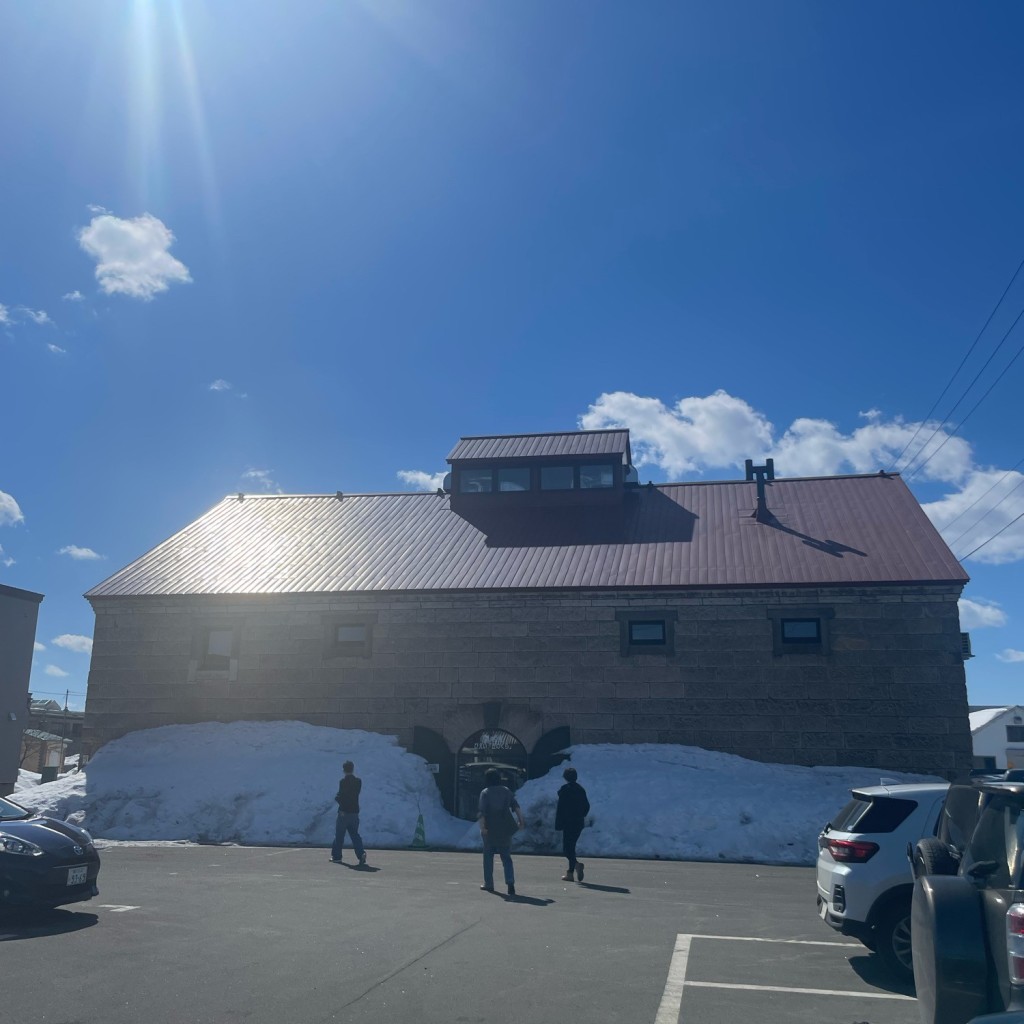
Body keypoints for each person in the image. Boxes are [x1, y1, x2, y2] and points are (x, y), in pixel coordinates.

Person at [478, 767, 524, 896]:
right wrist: (521, 820)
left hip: (490, 828)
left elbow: (482, 813)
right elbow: (515, 806)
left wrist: (483, 828)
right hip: (505, 828)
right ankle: (510, 882)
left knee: (488, 857)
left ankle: (489, 884)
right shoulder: (506, 791)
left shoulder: (485, 792)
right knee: (506, 857)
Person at [555, 765, 590, 882]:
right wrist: (581, 815)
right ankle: (570, 873)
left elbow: (560, 809)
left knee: (567, 849)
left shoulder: (565, 790)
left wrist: (559, 824)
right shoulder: (581, 790)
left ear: (565, 778)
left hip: (567, 823)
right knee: (572, 847)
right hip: (578, 823)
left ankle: (576, 865)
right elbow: (586, 806)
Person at [331, 760, 367, 866]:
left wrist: (338, 799)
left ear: (344, 770)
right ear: (353, 769)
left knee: (339, 835)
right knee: (354, 834)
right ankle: (361, 854)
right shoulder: (358, 781)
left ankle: (337, 856)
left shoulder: (343, 782)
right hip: (354, 812)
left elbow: (341, 796)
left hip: (343, 812)